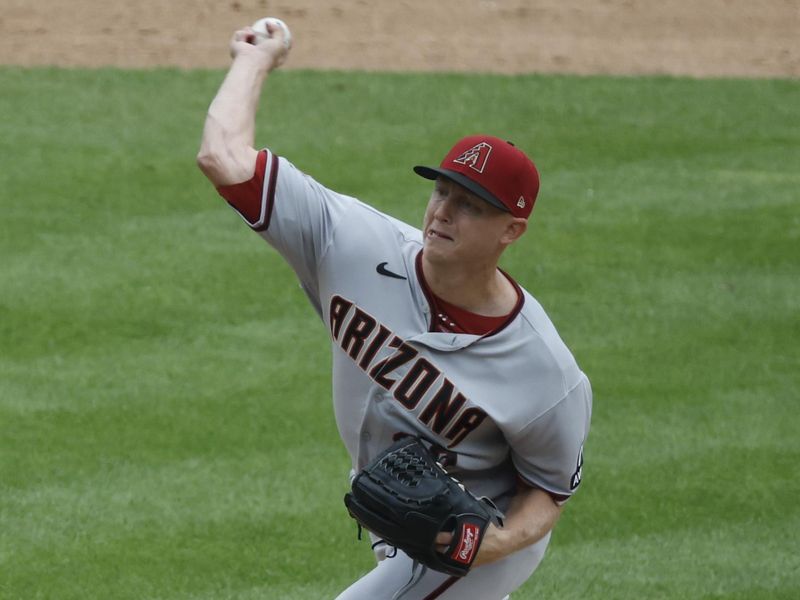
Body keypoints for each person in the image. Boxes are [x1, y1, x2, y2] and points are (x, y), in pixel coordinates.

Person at [197, 21, 592, 600]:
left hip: (476, 545)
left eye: (471, 206)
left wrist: (486, 545)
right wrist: (253, 59)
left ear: (512, 229)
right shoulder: (352, 241)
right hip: (406, 533)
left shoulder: (547, 374)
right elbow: (223, 156)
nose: (444, 213)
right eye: (443, 192)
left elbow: (549, 493)